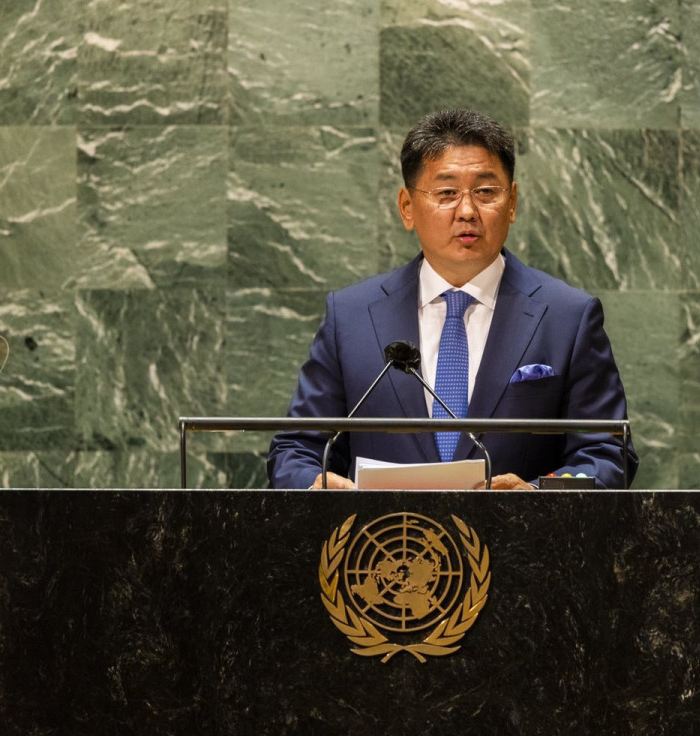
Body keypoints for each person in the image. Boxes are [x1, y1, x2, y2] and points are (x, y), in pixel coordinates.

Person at [267, 109, 638, 490]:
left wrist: (535, 495)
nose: (467, 211)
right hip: (387, 530)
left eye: (485, 192)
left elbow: (606, 455)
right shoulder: (351, 317)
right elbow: (296, 450)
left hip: (518, 529)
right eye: (446, 193)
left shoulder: (568, 317)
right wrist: (315, 484)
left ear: (512, 203)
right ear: (407, 208)